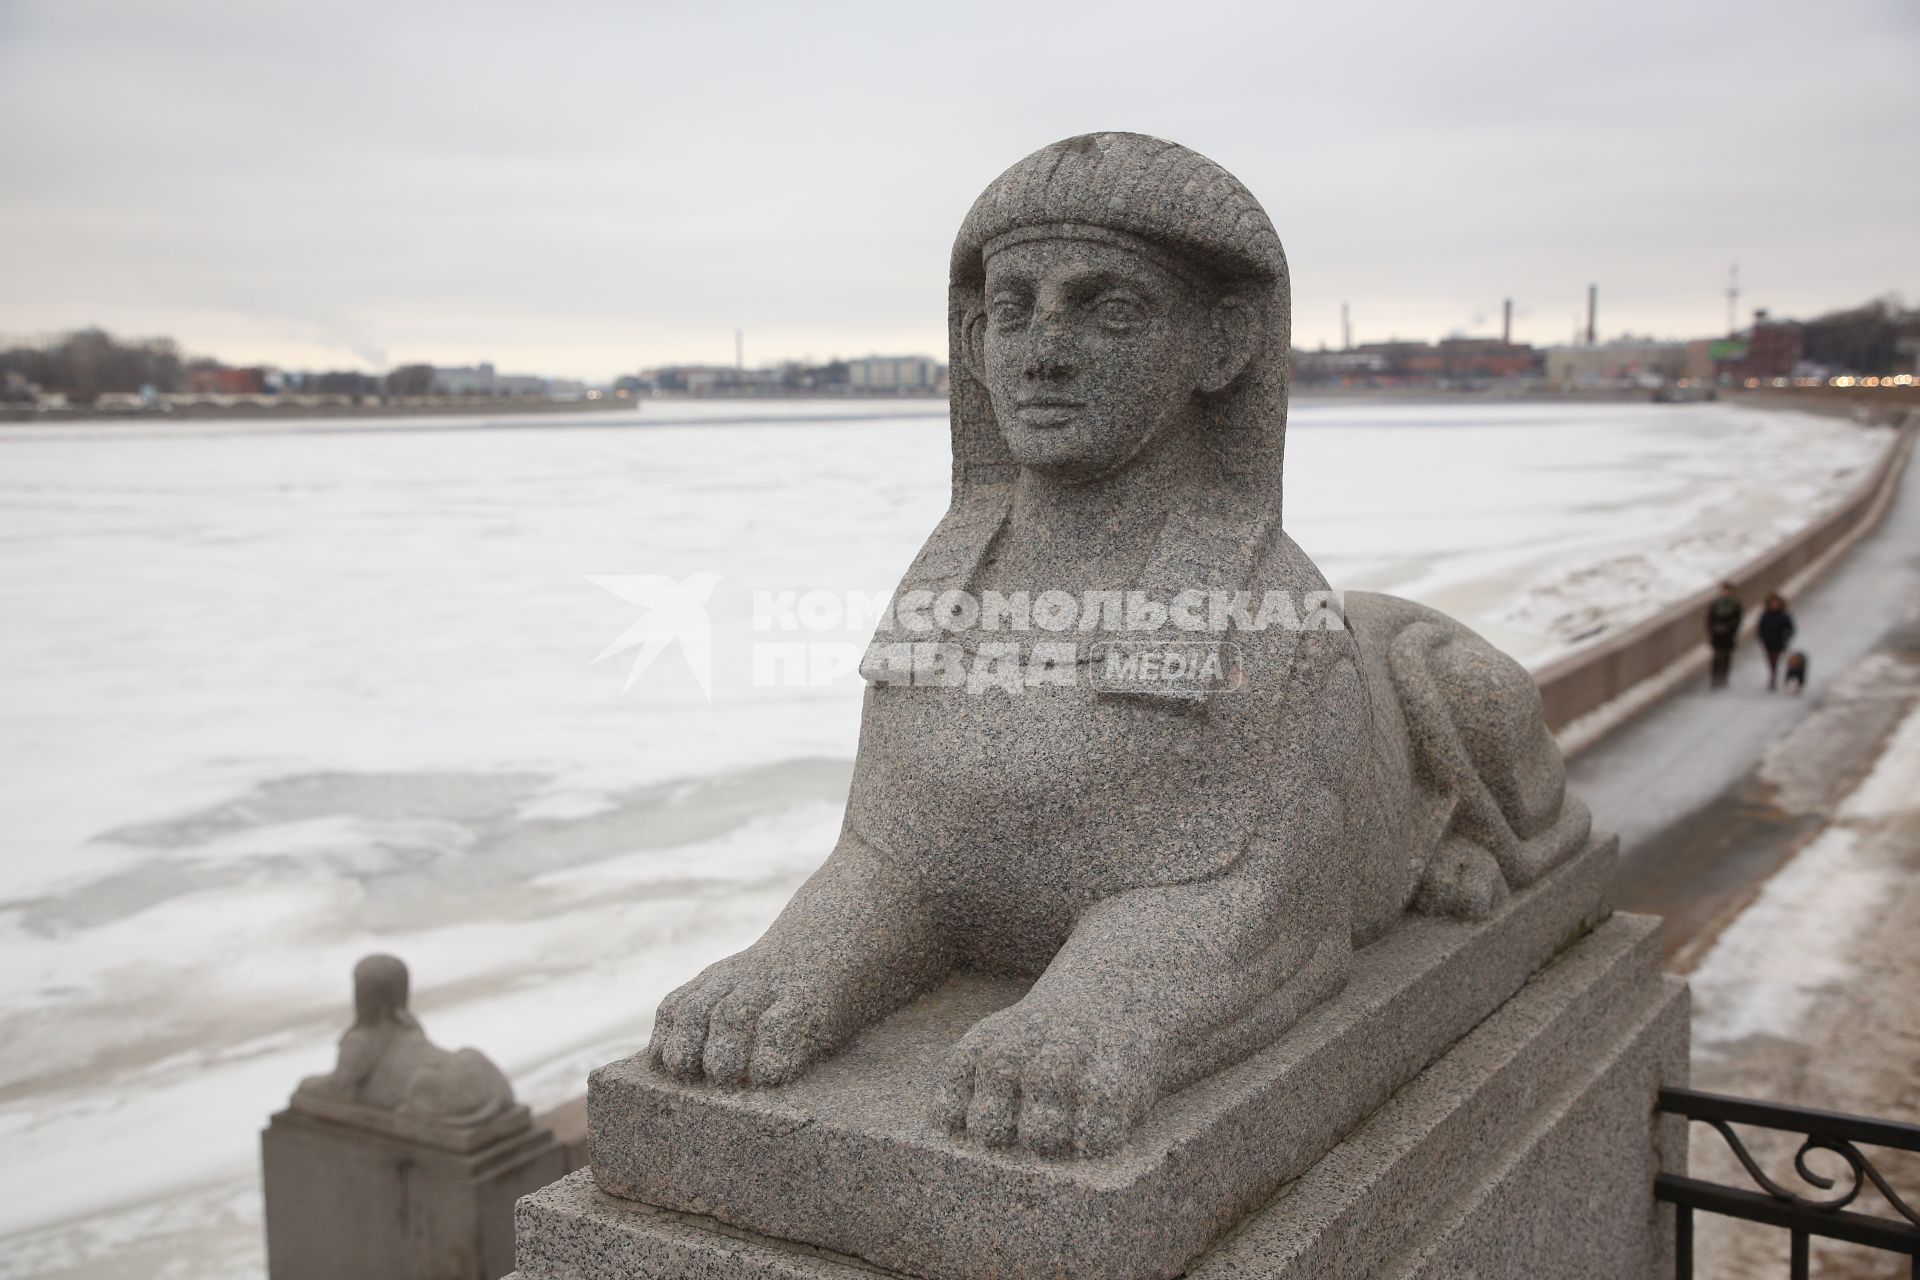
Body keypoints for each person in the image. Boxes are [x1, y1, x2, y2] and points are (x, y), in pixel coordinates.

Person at [1705, 581, 1743, 689]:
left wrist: (1732, 629)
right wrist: (1710, 632)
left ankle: (1724, 676)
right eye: (1724, 590)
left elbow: (1738, 619)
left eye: (1728, 590)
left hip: (1729, 634)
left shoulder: (1735, 604)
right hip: (1717, 633)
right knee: (1717, 655)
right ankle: (1714, 677)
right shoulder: (1715, 603)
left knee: (1726, 655)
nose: (1726, 592)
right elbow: (1709, 619)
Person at [1756, 592, 1796, 691]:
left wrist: (1786, 637)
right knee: (1770, 660)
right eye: (1773, 603)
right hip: (1768, 642)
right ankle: (1772, 675)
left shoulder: (1784, 616)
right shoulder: (1765, 616)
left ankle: (1773, 677)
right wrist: (1762, 637)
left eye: (1776, 603)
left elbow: (1790, 629)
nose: (1775, 605)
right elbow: (1760, 628)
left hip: (1779, 641)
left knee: (1775, 659)